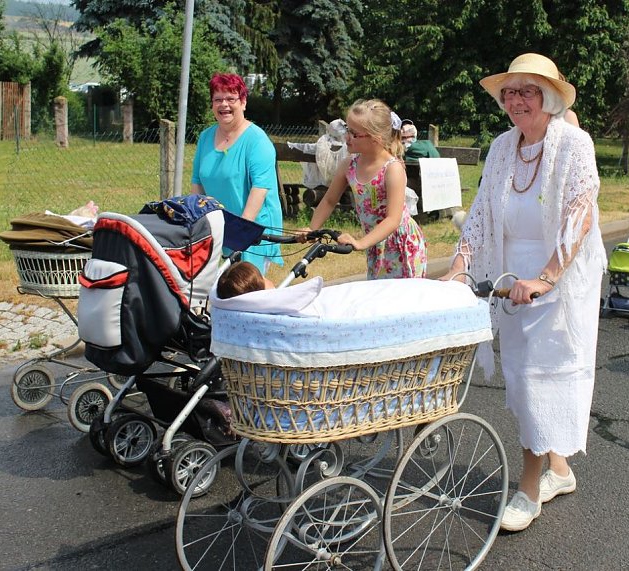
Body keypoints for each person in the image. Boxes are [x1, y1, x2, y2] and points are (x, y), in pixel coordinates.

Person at [445, 53, 606, 532]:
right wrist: (459, 266)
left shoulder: (575, 144)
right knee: (524, 377)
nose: (516, 100)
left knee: (539, 381)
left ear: (549, 98)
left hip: (558, 276)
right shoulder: (500, 147)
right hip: (511, 279)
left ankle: (528, 490)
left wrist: (549, 276)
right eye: (509, 92)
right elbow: (481, 213)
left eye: (527, 91)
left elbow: (582, 211)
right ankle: (560, 469)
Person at [301, 99, 427, 279]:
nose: (346, 137)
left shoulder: (392, 169)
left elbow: (393, 219)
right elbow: (329, 201)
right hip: (375, 243)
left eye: (353, 133)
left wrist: (360, 243)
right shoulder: (349, 165)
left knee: (401, 300)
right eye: (347, 130)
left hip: (401, 246)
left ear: (375, 138)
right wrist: (311, 229)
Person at [191, 73, 282, 275]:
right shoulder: (205, 138)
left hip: (251, 232)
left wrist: (240, 234)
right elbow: (197, 184)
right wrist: (196, 223)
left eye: (231, 99)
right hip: (217, 230)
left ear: (243, 102)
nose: (224, 105)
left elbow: (260, 189)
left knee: (245, 291)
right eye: (218, 99)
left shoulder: (257, 141)